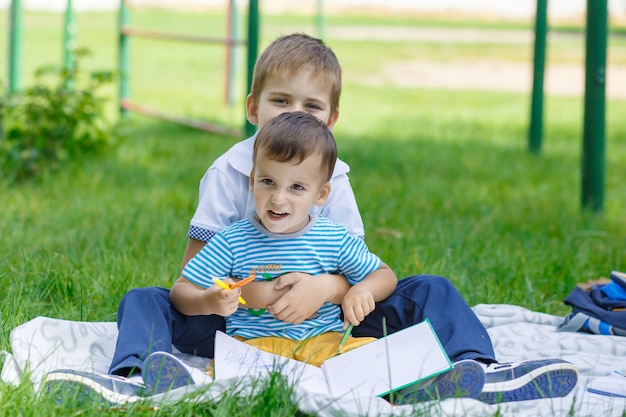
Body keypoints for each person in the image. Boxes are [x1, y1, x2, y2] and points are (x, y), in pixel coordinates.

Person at [42, 33, 578, 406]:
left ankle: (478, 369)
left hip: (325, 313)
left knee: (429, 290)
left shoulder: (334, 178)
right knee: (146, 300)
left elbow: (361, 271)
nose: (295, 114)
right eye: (280, 100)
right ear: (254, 107)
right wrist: (231, 296)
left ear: (333, 119)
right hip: (237, 320)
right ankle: (136, 376)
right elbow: (191, 275)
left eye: (312, 106)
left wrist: (322, 288)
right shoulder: (228, 171)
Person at [170, 110, 397, 370]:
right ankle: (187, 384)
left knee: (376, 358)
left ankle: (422, 382)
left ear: (321, 194)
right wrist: (208, 301)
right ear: (253, 181)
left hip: (323, 342)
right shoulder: (232, 241)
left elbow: (384, 275)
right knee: (226, 369)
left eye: (297, 187)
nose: (278, 198)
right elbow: (181, 291)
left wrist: (362, 290)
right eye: (268, 181)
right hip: (255, 345)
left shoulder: (333, 238)